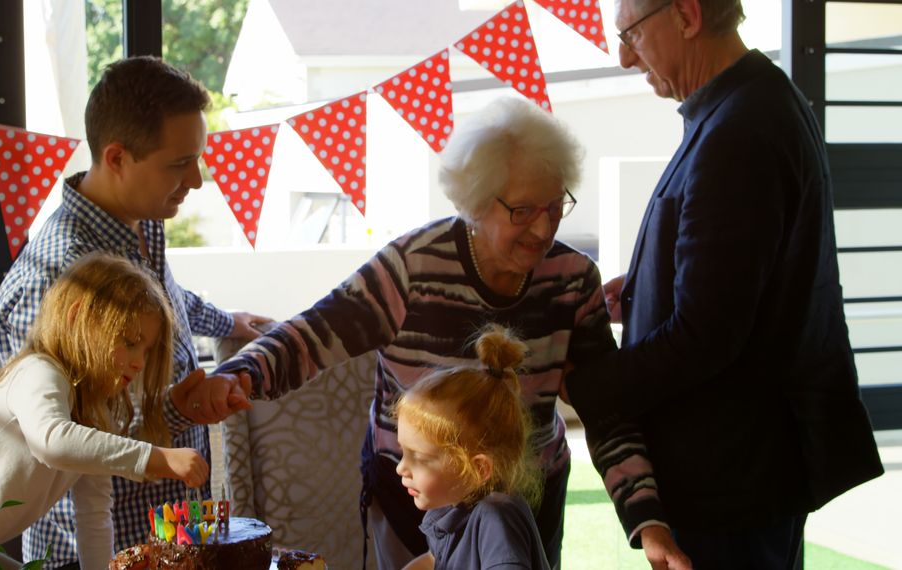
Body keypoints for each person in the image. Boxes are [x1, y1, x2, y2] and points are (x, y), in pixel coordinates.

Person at [213, 97, 618, 569]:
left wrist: (646, 519)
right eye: (524, 211)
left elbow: (607, 405)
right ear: (477, 202)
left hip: (528, 490)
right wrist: (239, 375)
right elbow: (313, 333)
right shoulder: (412, 267)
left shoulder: (573, 278)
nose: (544, 228)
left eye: (555, 206)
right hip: (415, 495)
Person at [564, 1, 884, 568]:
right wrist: (643, 289)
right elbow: (737, 277)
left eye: (631, 34)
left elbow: (707, 334)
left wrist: (581, 385)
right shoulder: (748, 101)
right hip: (742, 471)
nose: (621, 57)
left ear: (686, 15)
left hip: (732, 479)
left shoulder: (740, 129)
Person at [0, 56, 271, 567]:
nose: (199, 180)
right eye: (179, 163)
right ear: (118, 157)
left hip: (172, 521)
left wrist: (227, 322)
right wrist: (180, 410)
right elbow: (72, 441)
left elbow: (168, 299)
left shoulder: (141, 219)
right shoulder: (52, 281)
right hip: (97, 545)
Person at [0, 253, 210, 569]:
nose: (139, 361)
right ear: (77, 317)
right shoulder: (38, 371)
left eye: (147, 351)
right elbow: (52, 442)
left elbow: (93, 514)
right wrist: (157, 458)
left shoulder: (96, 415)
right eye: (129, 341)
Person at [398, 325, 550, 570]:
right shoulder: (454, 502)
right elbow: (434, 560)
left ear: (478, 468)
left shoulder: (496, 517)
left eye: (420, 458)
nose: (401, 468)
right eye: (403, 452)